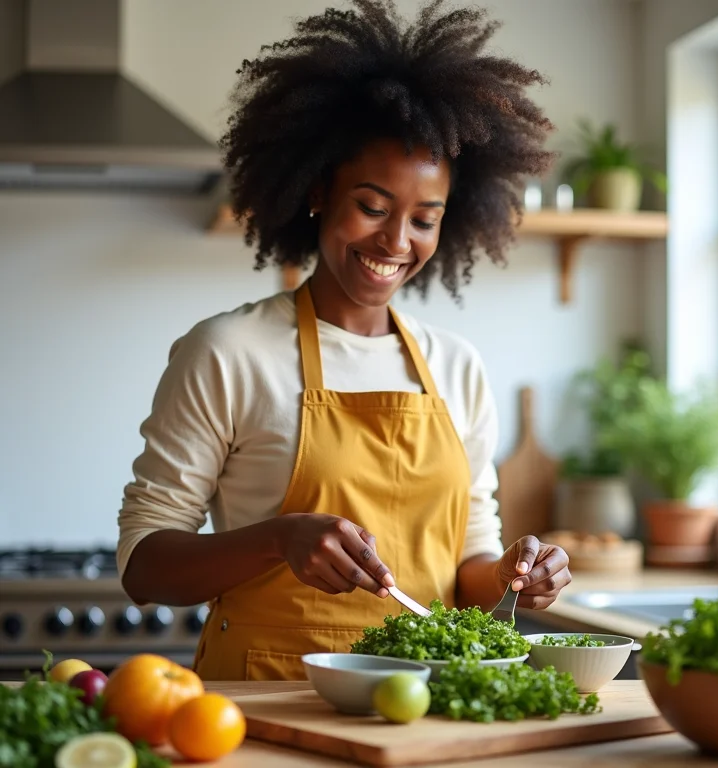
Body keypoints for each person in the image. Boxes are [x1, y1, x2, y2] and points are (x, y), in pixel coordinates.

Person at [117, 0, 571, 681]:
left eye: (424, 218)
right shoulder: (228, 352)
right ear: (316, 193)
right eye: (372, 206)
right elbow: (145, 566)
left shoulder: (457, 367)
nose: (396, 241)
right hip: (266, 706)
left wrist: (516, 575)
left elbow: (468, 570)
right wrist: (279, 538)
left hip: (426, 705)